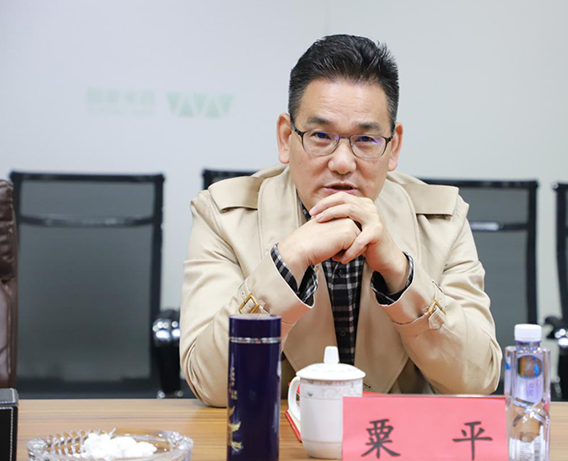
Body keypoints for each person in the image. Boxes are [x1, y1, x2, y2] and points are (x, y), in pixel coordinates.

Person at [181, 34, 501, 406]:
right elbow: (212, 385)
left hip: (395, 439)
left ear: (393, 146)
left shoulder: (442, 221)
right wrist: (287, 262)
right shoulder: (223, 216)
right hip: (279, 438)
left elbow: (477, 381)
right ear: (285, 138)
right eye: (321, 136)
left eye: (365, 139)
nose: (343, 163)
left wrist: (400, 275)